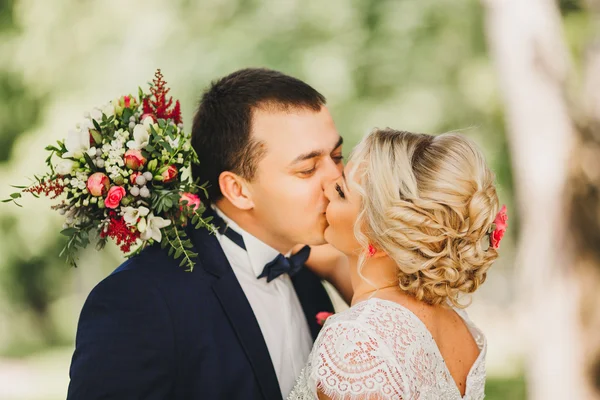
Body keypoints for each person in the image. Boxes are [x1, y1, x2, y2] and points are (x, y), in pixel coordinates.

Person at [67, 68, 346, 400]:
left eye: (338, 157)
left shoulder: (308, 272)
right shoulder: (139, 300)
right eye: (307, 169)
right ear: (238, 190)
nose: (338, 181)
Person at [290, 129, 506, 400]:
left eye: (340, 192)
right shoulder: (459, 326)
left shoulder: (360, 340)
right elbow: (330, 261)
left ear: (380, 237)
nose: (325, 189)